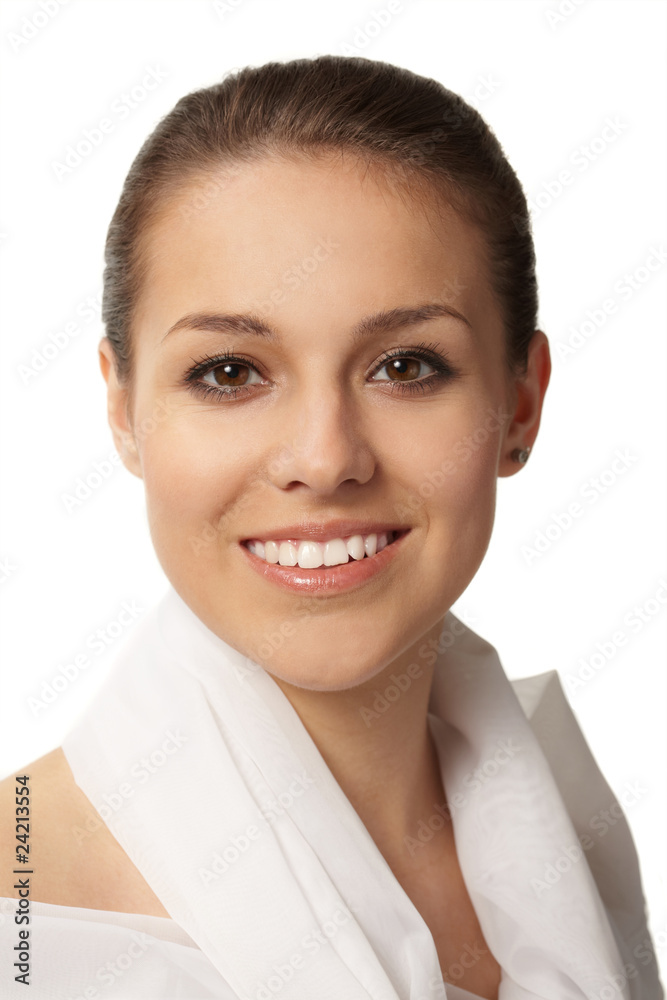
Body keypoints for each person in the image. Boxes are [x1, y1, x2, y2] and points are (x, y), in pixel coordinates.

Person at [0, 55, 662, 1000]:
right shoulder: (25, 921)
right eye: (229, 372)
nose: (324, 458)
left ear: (520, 403)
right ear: (122, 410)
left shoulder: (569, 829)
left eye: (405, 366)